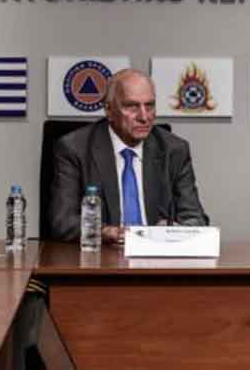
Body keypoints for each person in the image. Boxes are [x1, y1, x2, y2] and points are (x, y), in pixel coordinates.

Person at [48, 68, 209, 243]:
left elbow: (195, 218)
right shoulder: (75, 149)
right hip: (102, 254)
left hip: (157, 253)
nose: (144, 117)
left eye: (150, 105)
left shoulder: (174, 150)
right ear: (109, 110)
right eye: (132, 106)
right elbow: (62, 222)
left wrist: (173, 232)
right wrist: (107, 233)